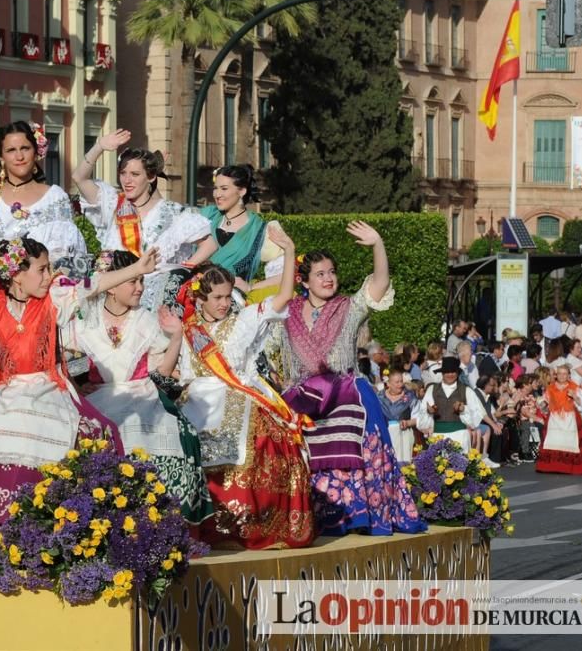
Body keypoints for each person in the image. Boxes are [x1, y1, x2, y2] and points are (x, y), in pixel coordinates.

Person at [0, 238, 157, 545]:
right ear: (17, 274)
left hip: (47, 385)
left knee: (32, 420)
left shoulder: (53, 298)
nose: (49, 274)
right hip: (6, 388)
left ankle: (33, 511)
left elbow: (94, 285)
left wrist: (136, 268)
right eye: (42, 268)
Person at [267, 221, 426, 536]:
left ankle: (361, 516)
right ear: (305, 281)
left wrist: (378, 243)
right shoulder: (286, 315)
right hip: (305, 401)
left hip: (348, 393)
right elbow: (268, 353)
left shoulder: (348, 307)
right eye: (320, 274)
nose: (328, 279)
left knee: (366, 451)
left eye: (332, 272)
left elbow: (379, 284)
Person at [175, 245, 314, 549]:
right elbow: (182, 373)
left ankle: (251, 526)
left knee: (265, 439)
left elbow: (282, 297)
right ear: (200, 298)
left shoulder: (243, 320)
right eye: (217, 298)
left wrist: (289, 252)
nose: (225, 303)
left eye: (228, 296)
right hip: (197, 398)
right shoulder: (187, 331)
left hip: (238, 392)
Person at [71, 250, 213, 524]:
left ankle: (156, 514)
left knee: (169, 426)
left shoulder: (146, 320)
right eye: (133, 281)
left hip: (141, 392)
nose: (140, 288)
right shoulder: (83, 321)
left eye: (142, 282)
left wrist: (177, 337)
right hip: (99, 396)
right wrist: (79, 387)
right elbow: (66, 365)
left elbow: (163, 373)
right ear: (111, 287)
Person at [75, 130, 214, 310]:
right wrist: (99, 146)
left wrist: (182, 271)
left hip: (153, 300)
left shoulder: (173, 212)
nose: (127, 180)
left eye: (135, 174)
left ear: (151, 177)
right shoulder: (112, 203)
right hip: (113, 293)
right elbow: (79, 177)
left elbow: (209, 244)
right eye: (123, 173)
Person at [0, 121, 88, 276]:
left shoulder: (55, 197)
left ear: (36, 152)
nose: (19, 156)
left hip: (47, 290)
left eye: (25, 148)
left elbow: (71, 255)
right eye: (11, 150)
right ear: (1, 157)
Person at [415, 357, 486, 455]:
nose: (450, 375)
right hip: (438, 436)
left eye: (453, 372)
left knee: (458, 468)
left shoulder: (466, 391)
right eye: (447, 372)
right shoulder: (432, 389)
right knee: (439, 468)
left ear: (457, 373)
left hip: (460, 437)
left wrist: (463, 409)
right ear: (442, 373)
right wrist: (429, 412)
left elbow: (477, 416)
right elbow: (421, 418)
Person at [535, 364, 582, 475]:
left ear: (568, 375)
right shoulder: (550, 388)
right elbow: (544, 401)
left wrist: (575, 397)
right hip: (555, 418)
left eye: (564, 374)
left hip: (570, 418)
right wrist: (542, 403)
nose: (562, 376)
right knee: (554, 440)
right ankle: (553, 466)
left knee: (570, 441)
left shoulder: (575, 387)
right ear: (556, 375)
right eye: (560, 373)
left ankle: (568, 467)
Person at [377, 369, 419, 463]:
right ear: (388, 384)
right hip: (386, 434)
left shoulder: (410, 396)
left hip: (404, 434)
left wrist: (408, 423)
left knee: (404, 463)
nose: (400, 385)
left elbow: (419, 417)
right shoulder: (379, 397)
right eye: (396, 382)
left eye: (401, 381)